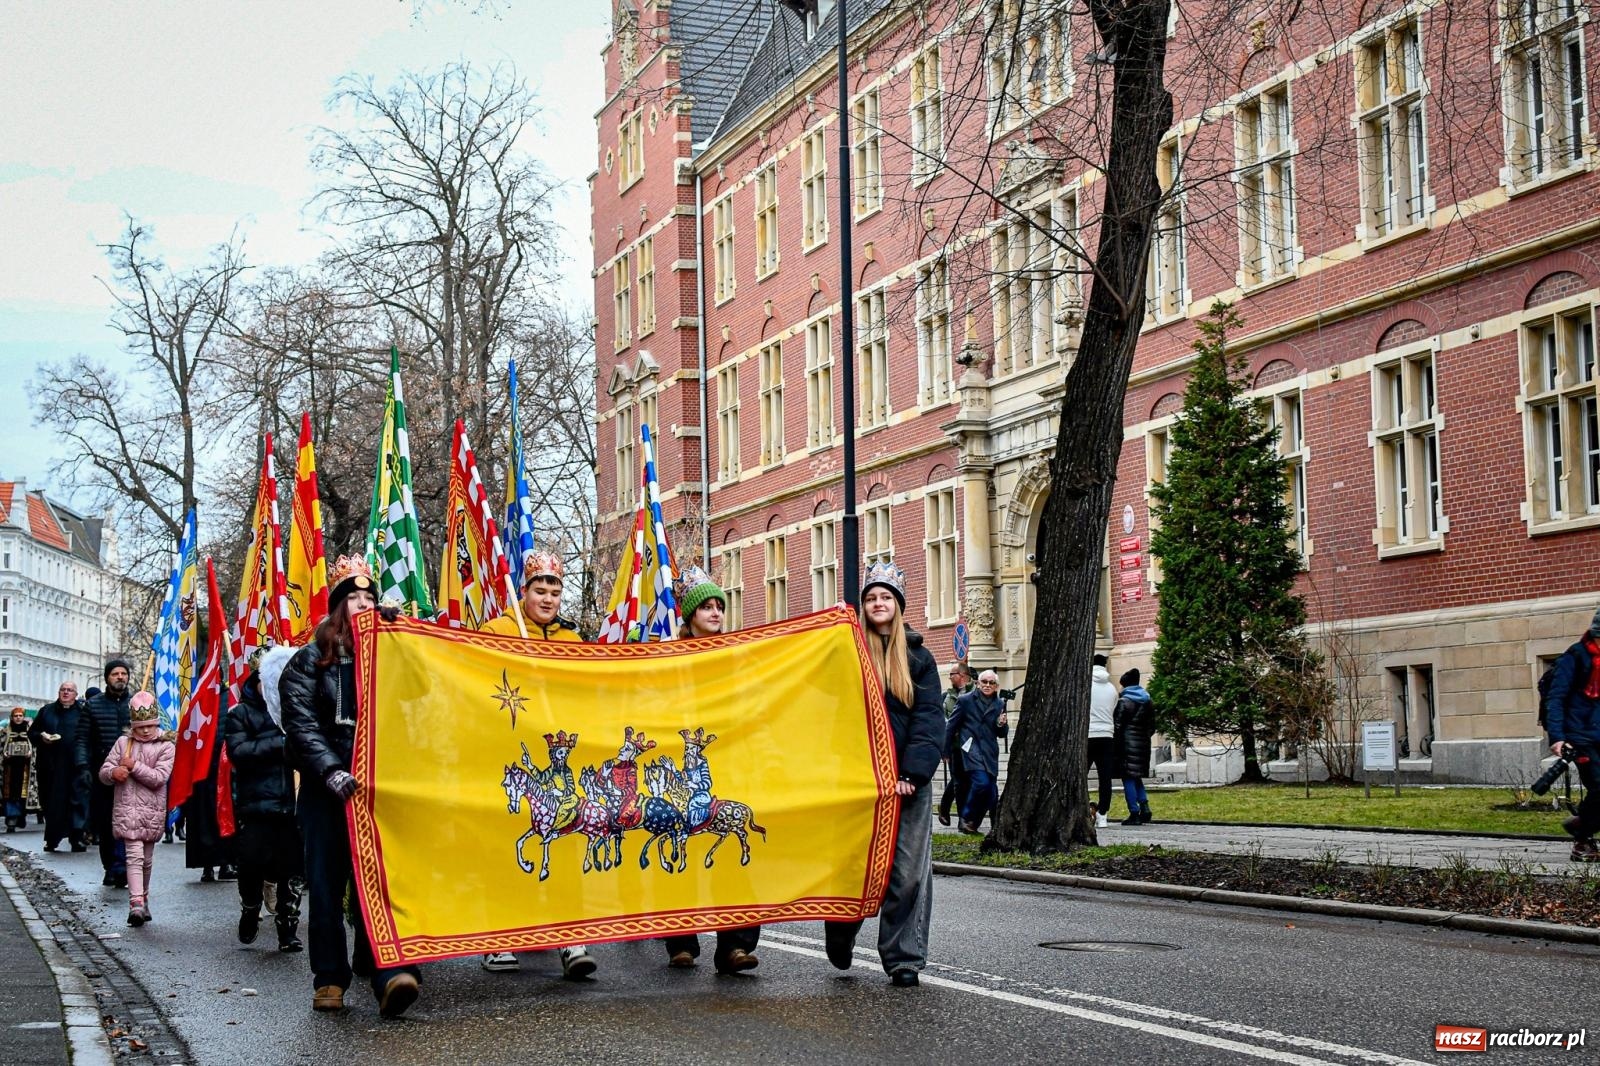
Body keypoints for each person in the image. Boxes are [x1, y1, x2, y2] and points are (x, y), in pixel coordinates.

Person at [281, 555, 421, 1017]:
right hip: (327, 792)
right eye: (354, 598)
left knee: (380, 883)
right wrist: (329, 769)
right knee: (326, 884)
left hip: (377, 791)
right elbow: (301, 725)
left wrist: (408, 639)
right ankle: (329, 980)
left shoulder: (386, 654)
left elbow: (420, 697)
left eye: (370, 597)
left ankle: (390, 973)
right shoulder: (308, 661)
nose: (363, 604)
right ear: (338, 606)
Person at [478, 550, 597, 980]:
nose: (548, 598)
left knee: (566, 841)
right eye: (539, 590)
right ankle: (499, 938)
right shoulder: (498, 631)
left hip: (562, 757)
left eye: (555, 591)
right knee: (509, 841)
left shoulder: (574, 640)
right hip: (512, 753)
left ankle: (571, 939)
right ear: (523, 592)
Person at [824, 560, 943, 987]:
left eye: (885, 598)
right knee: (855, 866)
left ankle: (903, 957)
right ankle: (840, 931)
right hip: (860, 781)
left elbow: (930, 720)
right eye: (871, 598)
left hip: (908, 784)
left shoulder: (919, 658)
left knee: (908, 873)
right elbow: (831, 712)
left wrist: (913, 773)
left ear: (898, 605)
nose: (878, 604)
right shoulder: (848, 655)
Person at [661, 565, 760, 975]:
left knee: (734, 860)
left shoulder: (738, 654)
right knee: (680, 846)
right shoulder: (670, 660)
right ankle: (681, 942)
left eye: (720, 606)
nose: (717, 613)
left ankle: (735, 945)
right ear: (690, 616)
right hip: (686, 769)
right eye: (708, 607)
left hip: (733, 762)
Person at [225, 646, 303, 952]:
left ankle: (288, 928)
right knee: (251, 864)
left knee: (293, 869)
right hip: (257, 805)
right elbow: (239, 752)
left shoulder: (296, 711)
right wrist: (280, 743)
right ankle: (250, 908)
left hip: (294, 805)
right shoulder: (241, 713)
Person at [97, 692, 174, 927]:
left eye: (150, 726)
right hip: (127, 810)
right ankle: (136, 903)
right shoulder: (123, 743)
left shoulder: (165, 746)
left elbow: (159, 778)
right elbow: (104, 771)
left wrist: (135, 766)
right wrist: (112, 773)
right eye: (141, 727)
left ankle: (144, 898)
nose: (146, 731)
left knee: (147, 860)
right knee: (134, 856)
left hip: (151, 812)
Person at [1543, 607, 1600, 862]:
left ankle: (1580, 825)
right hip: (1579, 736)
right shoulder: (1574, 658)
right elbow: (1556, 698)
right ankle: (1581, 838)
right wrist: (1557, 737)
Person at [80, 659, 134, 887]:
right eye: (115, 674)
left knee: (129, 822)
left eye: (123, 673)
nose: (120, 677)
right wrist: (83, 766)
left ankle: (125, 866)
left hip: (132, 774)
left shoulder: (136, 704)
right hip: (103, 773)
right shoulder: (93, 706)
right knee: (106, 822)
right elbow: (82, 739)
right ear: (107, 678)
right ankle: (110, 865)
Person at [950, 670, 1008, 834]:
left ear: (996, 686)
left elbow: (1002, 734)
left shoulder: (999, 704)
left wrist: (1001, 724)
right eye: (984, 682)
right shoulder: (965, 701)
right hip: (971, 748)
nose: (987, 685)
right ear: (977, 683)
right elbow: (951, 726)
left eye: (991, 683)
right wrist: (945, 750)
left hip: (989, 751)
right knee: (981, 783)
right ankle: (965, 817)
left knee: (991, 791)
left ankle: (975, 824)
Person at [31, 681, 87, 852]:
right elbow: (32, 732)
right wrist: (42, 736)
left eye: (69, 690)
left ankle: (76, 838)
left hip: (74, 765)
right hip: (50, 765)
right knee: (51, 803)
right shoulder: (47, 711)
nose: (65, 693)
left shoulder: (83, 712)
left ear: (76, 694)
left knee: (75, 802)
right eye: (63, 690)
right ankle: (52, 839)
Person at [1113, 668, 1155, 825]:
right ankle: (1145, 807)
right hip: (1143, 744)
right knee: (1136, 776)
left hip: (1125, 745)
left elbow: (1117, 726)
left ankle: (1134, 812)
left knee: (1128, 778)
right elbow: (1152, 726)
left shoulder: (1124, 702)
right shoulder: (1148, 700)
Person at [937, 664, 973, 827]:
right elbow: (941, 719)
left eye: (952, 674)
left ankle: (944, 806)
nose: (950, 677)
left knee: (965, 779)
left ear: (963, 675)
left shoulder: (976, 693)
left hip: (973, 745)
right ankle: (962, 820)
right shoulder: (946, 696)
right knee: (959, 781)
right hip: (955, 745)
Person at [1088, 654, 1118, 830]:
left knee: (1079, 775)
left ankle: (1084, 808)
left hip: (1089, 734)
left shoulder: (1085, 686)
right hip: (1107, 735)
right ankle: (1103, 814)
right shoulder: (1111, 688)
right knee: (1105, 778)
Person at [4, 707, 34, 831]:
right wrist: (4, 754)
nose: (18, 718)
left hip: (25, 767)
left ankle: (21, 816)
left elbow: (34, 747)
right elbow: (2, 746)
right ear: (12, 717)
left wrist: (30, 753)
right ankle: (11, 818)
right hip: (9, 768)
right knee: (10, 793)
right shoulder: (6, 731)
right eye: (15, 715)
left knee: (23, 793)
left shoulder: (29, 731)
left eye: (20, 715)